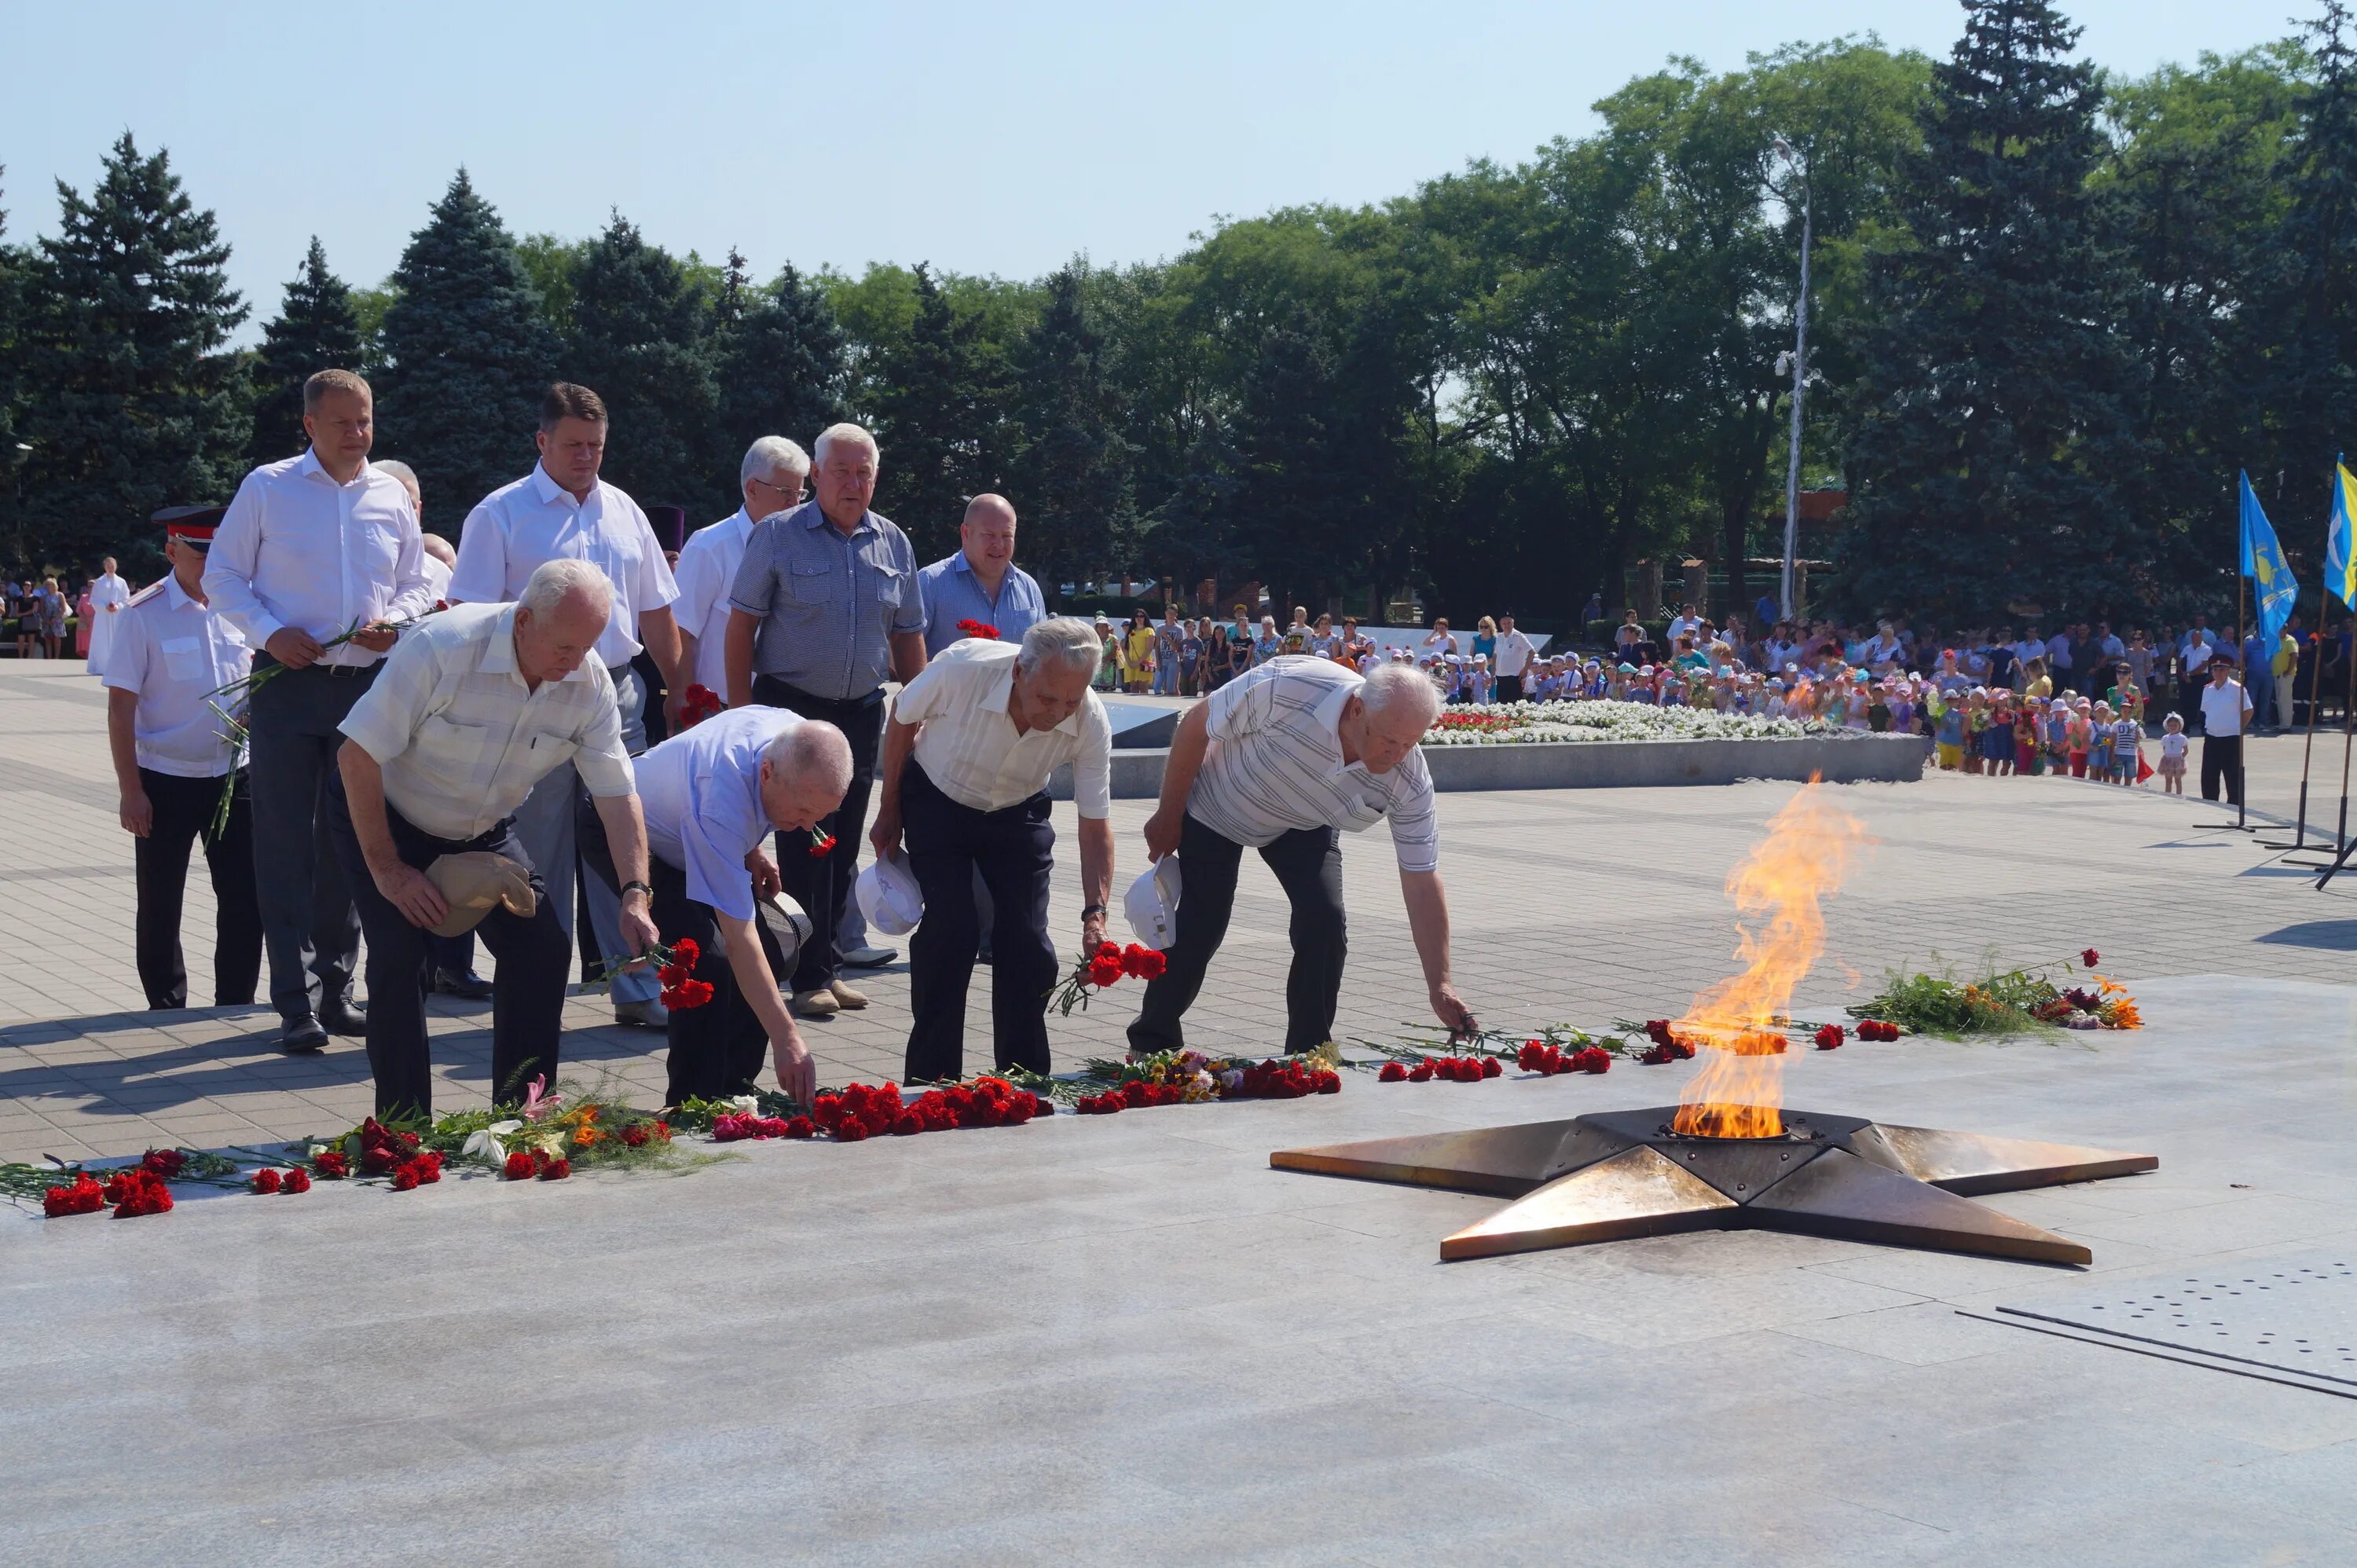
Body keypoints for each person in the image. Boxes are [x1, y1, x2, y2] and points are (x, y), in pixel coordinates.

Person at [331, 559, 656, 1119]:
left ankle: (520, 1116)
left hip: (485, 828)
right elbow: (355, 754)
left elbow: (615, 793)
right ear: (524, 620)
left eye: (587, 648)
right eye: (564, 647)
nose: (575, 663)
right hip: (386, 814)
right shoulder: (443, 647)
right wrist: (389, 870)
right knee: (400, 957)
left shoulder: (588, 679)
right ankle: (405, 1129)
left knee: (544, 946)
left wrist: (634, 892)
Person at [206, 368, 432, 1053]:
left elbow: (419, 579)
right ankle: (294, 1004)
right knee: (283, 845)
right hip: (286, 684)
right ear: (309, 425)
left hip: (365, 690)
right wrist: (269, 632)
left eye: (364, 420)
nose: (357, 434)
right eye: (342, 422)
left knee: (355, 842)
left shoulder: (390, 494)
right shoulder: (268, 488)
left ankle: (338, 992)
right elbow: (221, 574)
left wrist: (397, 619)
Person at [449, 382, 684, 1028]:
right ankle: (537, 988)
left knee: (622, 843)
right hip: (533, 699)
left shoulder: (625, 512)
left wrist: (678, 691)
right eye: (574, 445)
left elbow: (659, 610)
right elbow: (467, 617)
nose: (587, 458)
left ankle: (637, 987)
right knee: (540, 849)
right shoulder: (500, 514)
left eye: (598, 446)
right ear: (542, 442)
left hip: (618, 694)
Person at [1127, 657, 1477, 1057]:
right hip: (1219, 804)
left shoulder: (1409, 776)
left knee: (1325, 920)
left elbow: (1421, 879)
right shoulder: (1289, 687)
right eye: (1387, 740)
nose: (1396, 755)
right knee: (1201, 923)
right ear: (1357, 708)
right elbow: (1196, 724)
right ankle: (1153, 1043)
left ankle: (1308, 1053)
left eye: (1409, 744)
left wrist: (1440, 983)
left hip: (1305, 822)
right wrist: (1169, 813)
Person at [724, 421, 927, 1020]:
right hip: (791, 710)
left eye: (864, 472)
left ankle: (829, 964)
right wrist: (742, 715)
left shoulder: (894, 543)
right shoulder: (779, 535)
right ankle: (801, 974)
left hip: (860, 714)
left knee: (840, 848)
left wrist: (918, 710)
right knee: (799, 845)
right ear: (816, 475)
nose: (853, 482)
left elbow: (908, 634)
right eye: (841, 471)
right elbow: (742, 628)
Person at [871, 618, 1114, 1082]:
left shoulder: (1089, 718)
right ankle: (931, 1081)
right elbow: (903, 713)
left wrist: (1095, 914)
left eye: (1072, 699)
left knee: (1027, 941)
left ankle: (1023, 1077)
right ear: (1020, 673)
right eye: (1048, 698)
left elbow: (1095, 822)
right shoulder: (965, 667)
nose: (1059, 712)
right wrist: (890, 809)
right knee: (951, 930)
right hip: (940, 798)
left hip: (1016, 811)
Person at [582, 706, 849, 1106]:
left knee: (773, 949)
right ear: (767, 774)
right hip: (626, 829)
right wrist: (788, 1038)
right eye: (804, 812)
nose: (809, 827)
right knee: (707, 962)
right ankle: (694, 1102)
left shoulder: (793, 736)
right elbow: (738, 939)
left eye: (822, 815)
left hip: (691, 821)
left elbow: (743, 790)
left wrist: (751, 846)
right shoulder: (720, 802)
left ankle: (734, 1090)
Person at [102, 510, 262, 1010]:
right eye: (201, 556)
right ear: (172, 553)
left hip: (235, 776)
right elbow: (121, 707)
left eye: (222, 556)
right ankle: (166, 1005)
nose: (213, 566)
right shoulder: (142, 614)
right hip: (164, 778)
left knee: (244, 898)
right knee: (160, 900)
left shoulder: (245, 607)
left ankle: (234, 1002)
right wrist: (131, 790)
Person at [369, 461, 487, 999]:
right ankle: (396, 969)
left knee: (449, 849)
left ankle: (453, 964)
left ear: (417, 508)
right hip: (377, 733)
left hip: (440, 737)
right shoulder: (365, 567)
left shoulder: (441, 575)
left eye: (408, 502)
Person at [673, 437, 811, 704]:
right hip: (716, 711)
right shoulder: (710, 546)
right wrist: (687, 702)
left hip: (784, 710)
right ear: (752, 488)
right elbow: (680, 633)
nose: (795, 503)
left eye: (800, 493)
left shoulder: (803, 548)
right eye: (785, 491)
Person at [916, 493, 1045, 658]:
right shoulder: (930, 583)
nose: (999, 545)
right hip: (950, 684)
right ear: (966, 533)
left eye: (1007, 536)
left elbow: (1042, 659)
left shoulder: (1029, 589)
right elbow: (902, 653)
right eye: (989, 535)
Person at [2198, 654, 2253, 805]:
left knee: (2233, 778)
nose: (2218, 672)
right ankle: (2211, 807)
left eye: (2222, 669)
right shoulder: (2207, 689)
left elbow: (2248, 711)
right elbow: (2206, 712)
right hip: (2212, 738)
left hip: (2231, 738)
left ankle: (2234, 809)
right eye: (2215, 669)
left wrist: (2238, 727)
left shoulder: (2237, 689)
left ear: (2228, 671)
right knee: (2209, 778)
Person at [85, 557, 130, 675]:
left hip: (117, 616)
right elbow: (94, 599)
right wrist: (104, 607)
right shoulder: (99, 582)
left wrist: (118, 606)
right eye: (108, 565)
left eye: (113, 565)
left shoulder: (121, 582)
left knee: (117, 640)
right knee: (102, 640)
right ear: (104, 567)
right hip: (103, 616)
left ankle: (118, 667)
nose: (111, 567)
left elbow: (126, 598)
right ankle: (102, 667)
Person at [1492, 612, 1536, 703]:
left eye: (1509, 623)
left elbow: (1532, 652)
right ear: (1500, 625)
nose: (1507, 626)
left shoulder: (1519, 636)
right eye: (1504, 624)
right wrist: (1494, 672)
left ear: (1513, 623)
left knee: (1514, 704)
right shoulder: (1499, 637)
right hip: (1500, 676)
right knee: (1501, 705)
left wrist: (1525, 669)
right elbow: (1496, 655)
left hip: (1513, 676)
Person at [1122, 608, 1156, 693]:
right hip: (1131, 662)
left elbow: (1149, 649)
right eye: (1137, 616)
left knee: (1143, 687)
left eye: (1141, 616)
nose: (1139, 618)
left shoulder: (1149, 630)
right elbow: (1125, 647)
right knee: (1133, 687)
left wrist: (1138, 662)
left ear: (1145, 618)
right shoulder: (1132, 631)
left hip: (1144, 662)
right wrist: (1129, 662)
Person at [2157, 713, 2187, 794]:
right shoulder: (2165, 738)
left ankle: (2179, 795)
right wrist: (2168, 756)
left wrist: (2181, 758)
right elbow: (2164, 748)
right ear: (2167, 727)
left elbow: (2186, 750)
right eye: (2171, 725)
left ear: (2179, 726)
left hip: (2178, 760)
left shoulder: (2182, 738)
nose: (2173, 727)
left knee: (2178, 779)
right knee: (2168, 779)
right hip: (2168, 760)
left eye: (2175, 725)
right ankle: (2167, 794)